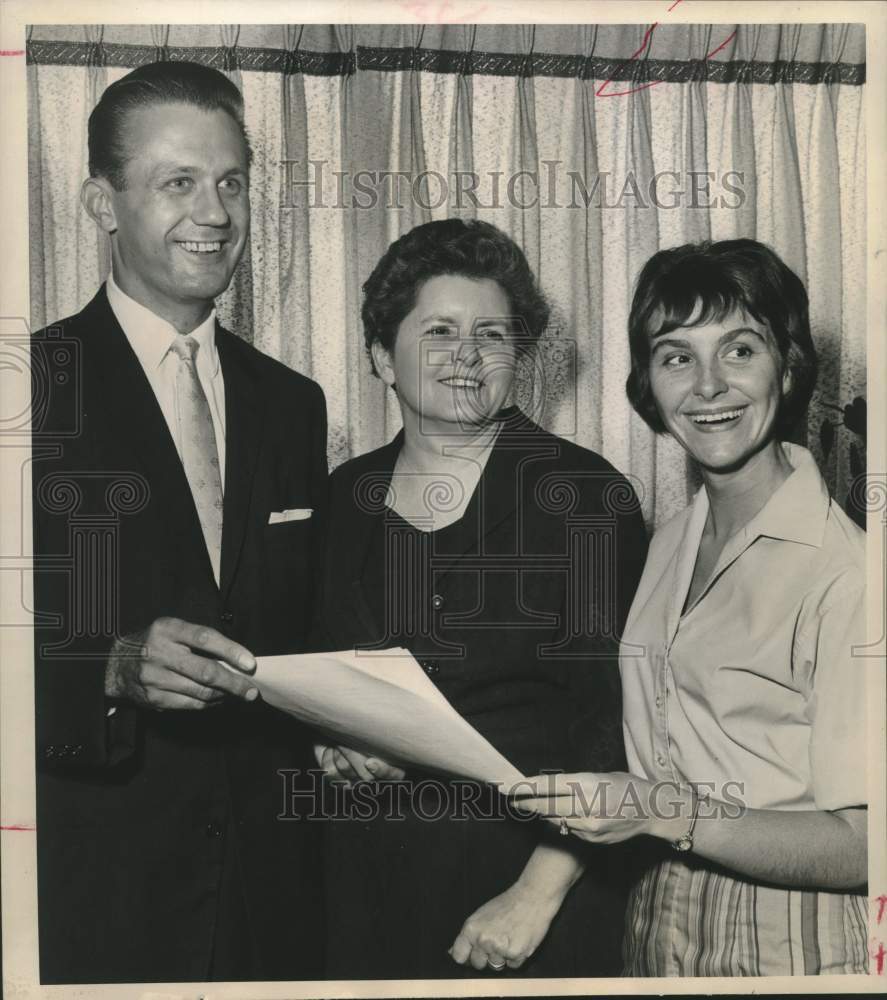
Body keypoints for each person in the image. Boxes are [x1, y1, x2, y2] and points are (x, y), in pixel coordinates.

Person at [31, 61, 328, 983]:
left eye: (231, 182)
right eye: (178, 183)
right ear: (101, 204)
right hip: (92, 894)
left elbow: (300, 629)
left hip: (273, 896)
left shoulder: (292, 403)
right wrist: (110, 665)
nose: (215, 213)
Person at [517, 239, 869, 976]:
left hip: (794, 941)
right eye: (676, 356)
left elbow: (866, 845)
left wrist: (661, 811)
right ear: (648, 382)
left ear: (787, 365)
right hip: (654, 918)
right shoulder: (671, 539)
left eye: (739, 350)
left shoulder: (850, 573)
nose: (708, 386)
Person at [311, 218, 648, 979]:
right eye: (439, 331)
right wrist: (332, 742)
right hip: (365, 888)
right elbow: (315, 668)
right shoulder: (340, 498)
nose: (467, 355)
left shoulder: (583, 495)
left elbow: (621, 721)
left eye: (491, 334)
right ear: (382, 357)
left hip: (530, 894)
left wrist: (536, 893)